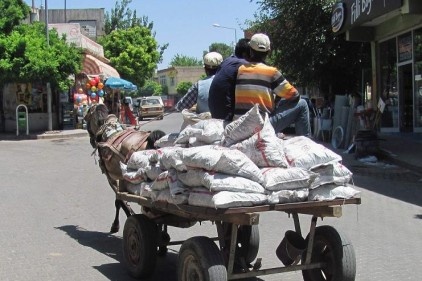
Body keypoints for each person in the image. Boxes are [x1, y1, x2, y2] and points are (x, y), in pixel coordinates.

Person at [234, 33, 311, 137]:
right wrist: (277, 102)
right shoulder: (271, 72)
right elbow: (295, 95)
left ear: (250, 50)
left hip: (240, 125)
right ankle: (305, 143)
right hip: (261, 126)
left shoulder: (240, 70)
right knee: (302, 104)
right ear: (268, 52)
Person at [208, 39, 251, 121]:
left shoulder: (226, 61)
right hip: (228, 116)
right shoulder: (243, 64)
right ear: (245, 54)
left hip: (216, 113)